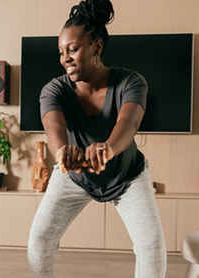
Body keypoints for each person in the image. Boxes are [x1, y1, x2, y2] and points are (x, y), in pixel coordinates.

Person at [27, 0, 167, 277]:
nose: (65, 58)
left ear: (97, 47)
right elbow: (53, 125)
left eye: (73, 49)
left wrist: (107, 149)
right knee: (40, 239)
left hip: (127, 175)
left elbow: (129, 121)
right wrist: (62, 152)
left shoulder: (131, 82)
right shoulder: (54, 89)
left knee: (151, 245)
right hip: (73, 176)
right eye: (61, 51)